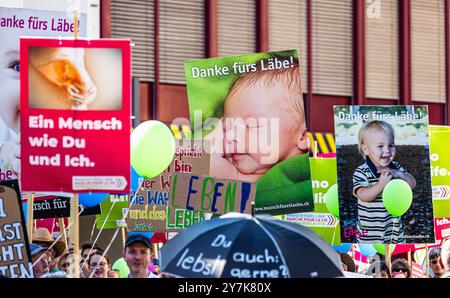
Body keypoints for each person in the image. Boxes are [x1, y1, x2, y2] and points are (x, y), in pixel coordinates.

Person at [207, 58, 312, 212]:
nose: (230, 137)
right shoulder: (236, 175)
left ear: (302, 136)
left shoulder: (310, 173)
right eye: (227, 128)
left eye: (251, 124)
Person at [353, 120, 416, 243]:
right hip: (369, 234)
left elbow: (412, 184)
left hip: (394, 232)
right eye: (380, 146)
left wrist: (401, 175)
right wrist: (380, 184)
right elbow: (362, 195)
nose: (387, 150)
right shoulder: (362, 172)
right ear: (366, 149)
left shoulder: (396, 168)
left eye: (391, 145)